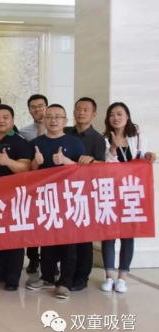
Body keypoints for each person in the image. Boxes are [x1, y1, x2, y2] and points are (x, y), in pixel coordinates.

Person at [26, 104, 85, 300]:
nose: (53, 120)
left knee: (69, 242)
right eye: (49, 116)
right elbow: (30, 173)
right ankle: (47, 277)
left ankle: (65, 283)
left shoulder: (75, 143)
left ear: (65, 121)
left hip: (69, 199)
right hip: (45, 199)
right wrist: (36, 163)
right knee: (46, 241)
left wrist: (66, 161)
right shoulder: (36, 142)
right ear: (44, 120)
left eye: (58, 117)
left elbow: (85, 172)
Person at [100, 102, 157, 293]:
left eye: (119, 114)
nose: (116, 118)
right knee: (108, 234)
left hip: (130, 192)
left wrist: (148, 155)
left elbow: (140, 160)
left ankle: (122, 277)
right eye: (112, 114)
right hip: (110, 191)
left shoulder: (138, 138)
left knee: (127, 234)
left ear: (127, 116)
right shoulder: (104, 139)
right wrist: (113, 148)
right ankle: (109, 276)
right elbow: (104, 165)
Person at [0, 104, 31, 291]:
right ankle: (0, 271)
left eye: (5, 117)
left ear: (12, 120)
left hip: (13, 197)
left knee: (14, 237)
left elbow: (26, 168)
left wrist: (8, 161)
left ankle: (13, 277)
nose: (1, 121)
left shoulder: (20, 141)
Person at [65, 97, 107, 292]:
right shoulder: (66, 133)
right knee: (67, 238)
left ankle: (82, 277)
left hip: (86, 195)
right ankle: (67, 274)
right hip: (65, 193)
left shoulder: (98, 139)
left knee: (83, 238)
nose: (81, 113)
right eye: (78, 109)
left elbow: (102, 167)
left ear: (94, 114)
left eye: (86, 110)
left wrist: (91, 161)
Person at [19, 93, 48, 273]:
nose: (38, 110)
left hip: (52, 184)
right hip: (31, 184)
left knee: (49, 222)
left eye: (40, 106)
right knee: (31, 223)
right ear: (29, 111)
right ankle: (33, 259)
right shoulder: (24, 133)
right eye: (34, 107)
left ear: (47, 107)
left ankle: (50, 261)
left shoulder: (59, 129)